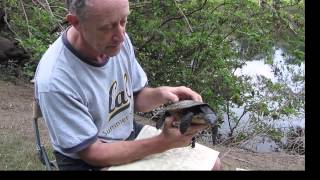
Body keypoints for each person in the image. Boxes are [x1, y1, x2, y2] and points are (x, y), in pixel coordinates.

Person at [34, 0, 221, 171]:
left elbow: (137, 98)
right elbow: (93, 153)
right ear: (75, 22)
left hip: (126, 133)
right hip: (87, 160)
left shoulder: (116, 41)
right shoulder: (55, 80)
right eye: (107, 27)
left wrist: (163, 93)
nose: (120, 36)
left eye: (123, 21)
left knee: (213, 165)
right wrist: (163, 142)